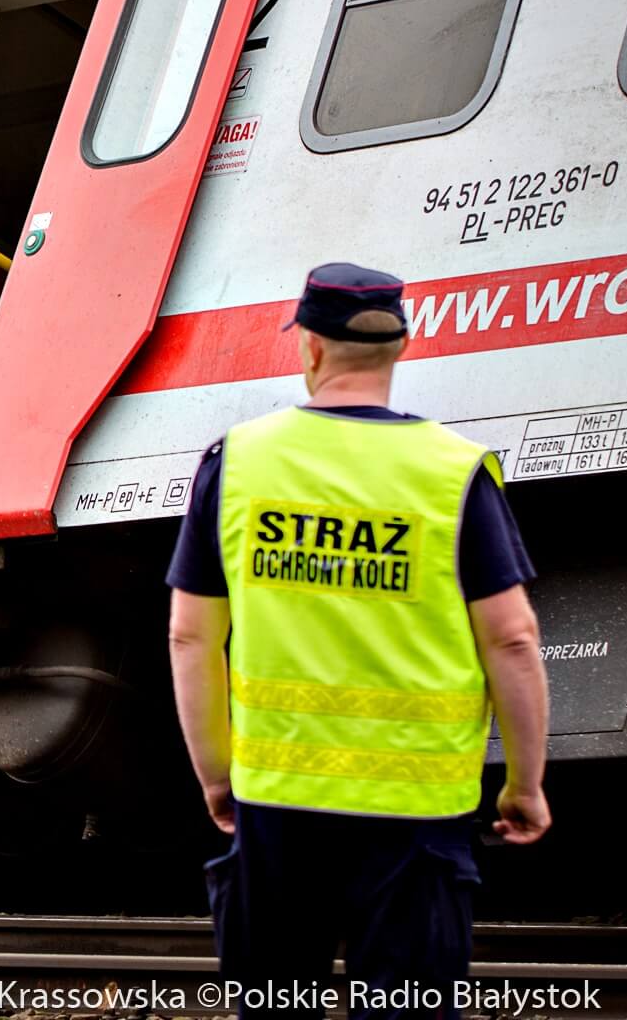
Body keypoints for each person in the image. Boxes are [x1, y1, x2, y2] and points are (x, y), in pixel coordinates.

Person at [165, 262, 551, 1018]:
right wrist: (524, 786)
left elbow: (190, 636)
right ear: (399, 348)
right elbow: (512, 641)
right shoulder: (453, 472)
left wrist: (218, 772)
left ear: (309, 347)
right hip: (417, 813)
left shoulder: (238, 462)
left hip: (277, 805)